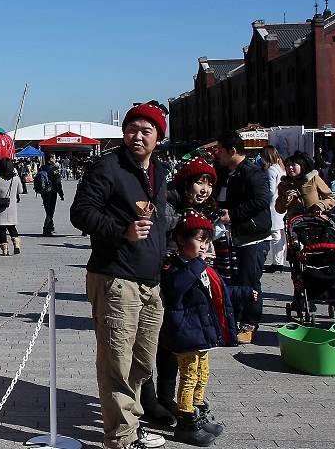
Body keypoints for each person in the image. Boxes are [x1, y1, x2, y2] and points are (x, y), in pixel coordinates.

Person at [71, 101, 170, 449]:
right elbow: (80, 213)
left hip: (151, 281)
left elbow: (160, 220)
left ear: (159, 136)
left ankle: (133, 421)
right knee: (116, 362)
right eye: (132, 129)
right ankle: (121, 438)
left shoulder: (159, 169)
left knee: (142, 362)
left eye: (146, 130)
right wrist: (120, 230)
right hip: (116, 279)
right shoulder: (108, 168)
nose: (138, 136)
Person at [142, 155, 223, 429]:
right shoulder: (171, 202)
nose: (205, 189)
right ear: (186, 181)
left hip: (185, 282)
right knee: (158, 344)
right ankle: (154, 400)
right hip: (164, 280)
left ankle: (168, 400)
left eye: (209, 183)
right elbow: (161, 234)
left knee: (173, 344)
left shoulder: (198, 208)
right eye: (200, 182)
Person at [161, 211, 234, 447]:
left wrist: (244, 294)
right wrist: (197, 264)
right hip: (185, 334)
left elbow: (219, 292)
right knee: (189, 376)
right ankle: (186, 421)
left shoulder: (200, 266)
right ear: (181, 240)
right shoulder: (174, 266)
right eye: (199, 240)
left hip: (200, 334)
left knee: (202, 374)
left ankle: (199, 412)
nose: (204, 246)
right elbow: (174, 288)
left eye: (206, 241)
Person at [213, 130, 271, 345]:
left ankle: (250, 323)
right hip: (229, 236)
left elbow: (262, 201)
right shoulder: (225, 171)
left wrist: (234, 214)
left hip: (252, 236)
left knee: (249, 281)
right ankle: (232, 319)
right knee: (231, 280)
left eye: (220, 150)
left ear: (233, 151)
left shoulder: (252, 172)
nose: (217, 154)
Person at [275, 152, 335, 220]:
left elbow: (331, 198)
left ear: (302, 166)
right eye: (287, 165)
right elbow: (279, 210)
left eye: (293, 165)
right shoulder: (283, 185)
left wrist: (321, 205)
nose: (290, 168)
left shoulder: (313, 179)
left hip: (316, 221)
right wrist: (285, 198)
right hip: (296, 224)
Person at [0, 157, 25, 256]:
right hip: (11, 207)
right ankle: (16, 245)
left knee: (2, 229)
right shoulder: (16, 178)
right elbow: (21, 191)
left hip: (0, 208)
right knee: (12, 227)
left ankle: (5, 250)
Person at [262, 146, 287, 273]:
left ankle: (277, 263)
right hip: (281, 202)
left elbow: (271, 190)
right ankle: (279, 261)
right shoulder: (281, 168)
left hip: (273, 204)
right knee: (281, 234)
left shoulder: (271, 169)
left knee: (276, 234)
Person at [36, 155, 62, 235]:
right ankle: (46, 228)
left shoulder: (41, 168)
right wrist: (61, 193)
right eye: (54, 158)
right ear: (50, 159)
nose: (55, 159)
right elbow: (58, 183)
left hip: (43, 192)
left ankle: (51, 227)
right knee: (50, 211)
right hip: (52, 192)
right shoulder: (54, 169)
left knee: (47, 209)